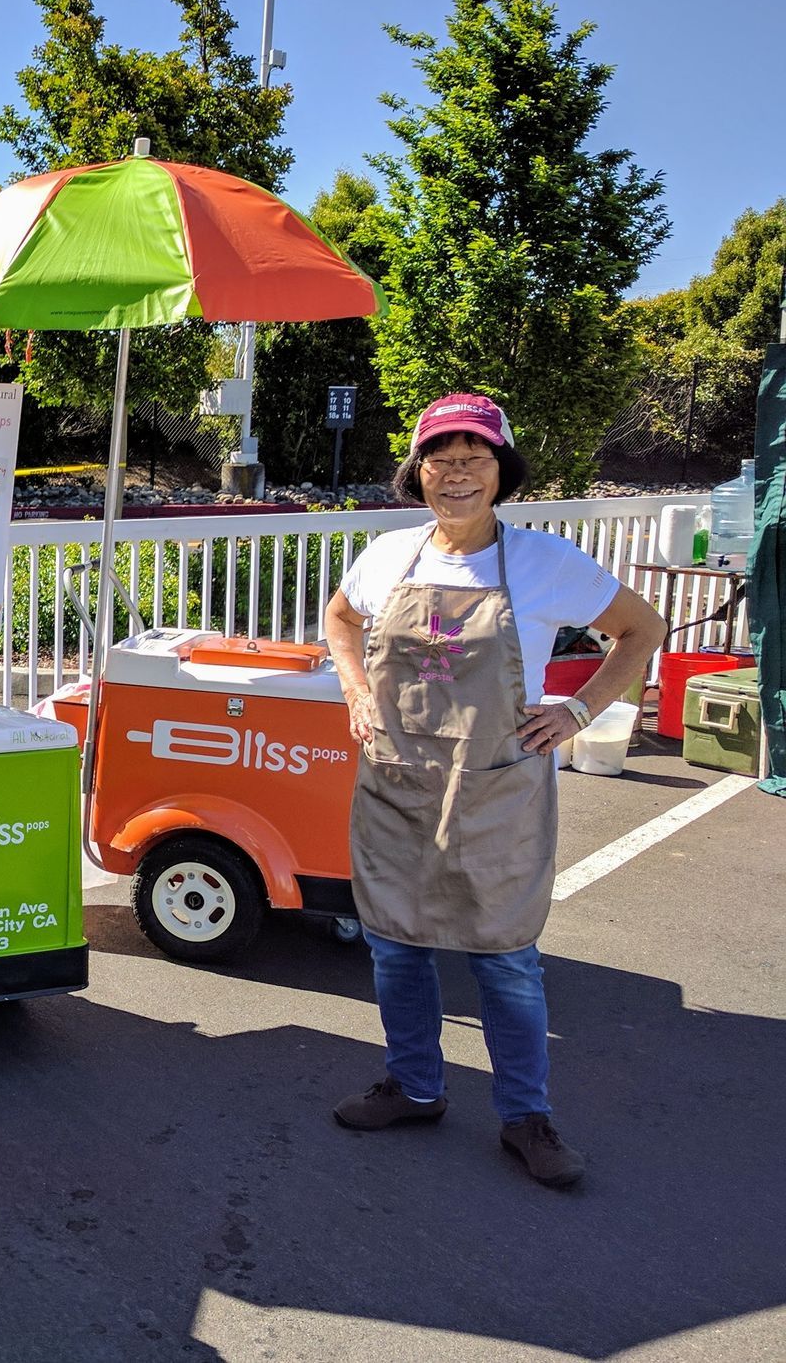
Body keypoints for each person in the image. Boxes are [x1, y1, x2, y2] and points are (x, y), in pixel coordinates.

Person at [322, 393, 666, 1187]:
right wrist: (355, 691)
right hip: (399, 783)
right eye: (441, 458)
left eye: (475, 457)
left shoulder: (547, 563)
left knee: (506, 959)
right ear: (420, 473)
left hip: (496, 790)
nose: (457, 473)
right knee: (396, 948)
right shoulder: (389, 556)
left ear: (501, 471)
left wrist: (580, 708)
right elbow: (341, 618)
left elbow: (642, 629)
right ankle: (413, 1086)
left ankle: (526, 1117)